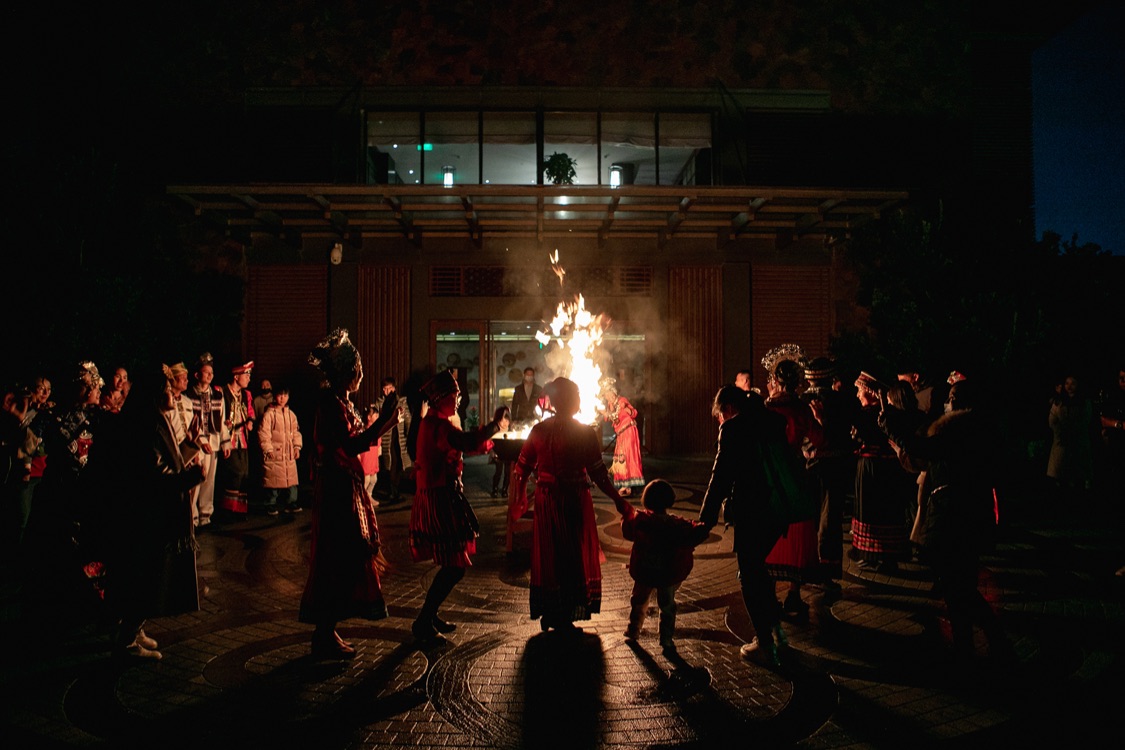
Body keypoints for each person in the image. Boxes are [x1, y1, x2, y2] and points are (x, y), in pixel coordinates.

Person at [881, 378, 1013, 664]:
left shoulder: (960, 430)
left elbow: (925, 449)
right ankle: (974, 644)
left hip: (953, 514)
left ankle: (984, 643)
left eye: (953, 396)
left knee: (958, 586)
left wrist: (893, 429)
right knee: (958, 586)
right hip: (965, 512)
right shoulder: (980, 430)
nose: (947, 401)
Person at [299, 329, 402, 659]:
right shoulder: (330, 404)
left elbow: (360, 439)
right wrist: (384, 421)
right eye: (356, 369)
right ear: (344, 372)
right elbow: (351, 444)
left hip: (347, 485)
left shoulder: (343, 402)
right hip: (336, 490)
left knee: (348, 555)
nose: (361, 375)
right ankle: (324, 631)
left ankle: (327, 630)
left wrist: (385, 422)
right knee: (338, 556)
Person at [101, 368, 205, 660]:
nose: (173, 392)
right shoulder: (145, 424)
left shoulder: (153, 419)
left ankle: (133, 630)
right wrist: (191, 478)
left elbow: (167, 463)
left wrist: (191, 445)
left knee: (142, 576)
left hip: (149, 513)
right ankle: (126, 639)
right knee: (143, 577)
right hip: (146, 516)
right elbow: (155, 478)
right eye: (168, 388)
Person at [511, 377, 624, 632]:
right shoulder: (583, 432)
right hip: (571, 499)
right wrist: (619, 501)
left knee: (551, 554)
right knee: (571, 555)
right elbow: (598, 474)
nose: (580, 400)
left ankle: (552, 612)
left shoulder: (539, 430)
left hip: (546, 500)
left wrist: (519, 497)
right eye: (577, 396)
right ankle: (562, 615)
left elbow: (522, 468)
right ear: (571, 401)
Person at [410, 369, 508, 641]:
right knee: (454, 565)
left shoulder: (435, 422)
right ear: (440, 399)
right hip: (439, 498)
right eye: (454, 396)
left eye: (458, 395)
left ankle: (429, 615)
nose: (458, 401)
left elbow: (464, 445)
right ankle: (423, 620)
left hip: (440, 494)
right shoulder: (438, 426)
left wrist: (489, 438)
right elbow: (465, 441)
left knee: (451, 563)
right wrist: (494, 426)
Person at [698, 385, 791, 666]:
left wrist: (705, 519)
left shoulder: (733, 429)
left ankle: (764, 643)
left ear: (727, 409)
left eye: (720, 416)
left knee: (750, 577)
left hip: (751, 511)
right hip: (778, 507)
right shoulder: (772, 420)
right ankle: (777, 634)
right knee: (764, 575)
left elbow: (720, 477)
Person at [760, 348, 824, 618]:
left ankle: (769, 594)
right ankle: (793, 594)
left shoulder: (764, 408)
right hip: (796, 473)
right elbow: (819, 440)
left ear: (774, 380)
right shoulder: (801, 409)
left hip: (768, 475)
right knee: (797, 526)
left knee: (769, 529)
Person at [620, 479, 708, 653]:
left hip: (644, 570)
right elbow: (693, 533)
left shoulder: (641, 520)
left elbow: (627, 530)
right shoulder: (675, 524)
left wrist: (625, 513)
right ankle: (666, 639)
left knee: (638, 600)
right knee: (667, 605)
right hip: (667, 573)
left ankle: (633, 630)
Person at [851, 371, 916, 571]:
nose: (857, 395)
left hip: (874, 468)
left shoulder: (873, 415)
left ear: (870, 392)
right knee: (882, 510)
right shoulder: (886, 414)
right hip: (883, 467)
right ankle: (877, 555)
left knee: (875, 511)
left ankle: (878, 554)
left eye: (860, 390)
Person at [803, 356, 858, 587]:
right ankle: (826, 570)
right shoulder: (845, 401)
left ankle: (809, 568)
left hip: (810, 468)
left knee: (812, 519)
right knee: (830, 520)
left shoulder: (802, 401)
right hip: (835, 468)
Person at [188, 353, 228, 527]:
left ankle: (205, 514)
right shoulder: (189, 395)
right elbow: (190, 423)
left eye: (211, 372)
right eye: (206, 372)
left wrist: (225, 442)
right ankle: (192, 516)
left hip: (213, 443)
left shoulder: (218, 396)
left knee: (209, 480)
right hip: (197, 445)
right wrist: (200, 441)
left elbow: (223, 420)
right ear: (197, 375)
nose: (210, 375)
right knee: (196, 479)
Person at [1046, 374, 1095, 499]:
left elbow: (1085, 421)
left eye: (1072, 383)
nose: (1069, 386)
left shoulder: (1084, 403)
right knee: (1062, 479)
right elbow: (1052, 421)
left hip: (1078, 443)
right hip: (1062, 444)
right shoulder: (1058, 403)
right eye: (1067, 383)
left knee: (1078, 478)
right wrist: (1060, 432)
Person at [258, 383, 303, 515]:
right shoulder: (269, 414)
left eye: (285, 395)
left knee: (291, 479)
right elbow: (263, 433)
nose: (282, 398)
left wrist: (297, 447)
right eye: (280, 395)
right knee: (273, 480)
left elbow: (296, 432)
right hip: (275, 452)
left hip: (288, 452)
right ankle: (270, 503)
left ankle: (291, 502)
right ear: (275, 396)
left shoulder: (291, 415)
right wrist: (268, 449)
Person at [218, 361, 255, 517]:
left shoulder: (246, 395)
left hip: (243, 440)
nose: (248, 379)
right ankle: (228, 510)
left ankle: (239, 509)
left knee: (245, 473)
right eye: (246, 376)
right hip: (229, 439)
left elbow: (251, 412)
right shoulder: (222, 392)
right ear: (236, 376)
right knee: (235, 472)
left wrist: (250, 421)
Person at [601, 380, 645, 497]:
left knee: (628, 455)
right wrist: (604, 412)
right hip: (621, 433)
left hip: (629, 431)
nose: (608, 397)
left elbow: (634, 412)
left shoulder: (622, 401)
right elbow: (612, 418)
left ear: (613, 393)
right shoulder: (610, 405)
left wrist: (628, 410)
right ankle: (624, 484)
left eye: (609, 394)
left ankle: (629, 485)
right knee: (621, 457)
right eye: (606, 395)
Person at [375, 377, 412, 502]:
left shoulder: (401, 402)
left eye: (389, 388)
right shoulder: (380, 403)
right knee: (389, 463)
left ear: (394, 388)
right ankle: (392, 490)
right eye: (384, 389)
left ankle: (395, 490)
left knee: (398, 463)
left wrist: (408, 434)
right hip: (386, 438)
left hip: (399, 437)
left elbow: (408, 419)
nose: (387, 391)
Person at [358, 405, 382, 508]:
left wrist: (378, 452)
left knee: (373, 479)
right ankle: (360, 499)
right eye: (375, 416)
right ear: (369, 417)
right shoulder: (364, 430)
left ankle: (368, 496)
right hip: (366, 459)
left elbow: (379, 444)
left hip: (373, 459)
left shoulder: (377, 431)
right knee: (366, 480)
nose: (377, 417)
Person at [491, 405, 512, 498]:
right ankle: (495, 489)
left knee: (507, 473)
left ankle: (504, 489)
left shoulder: (511, 431)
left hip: (508, 453)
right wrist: (493, 453)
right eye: (502, 420)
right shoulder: (495, 430)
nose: (504, 423)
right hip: (498, 454)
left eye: (507, 420)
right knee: (498, 472)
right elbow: (491, 443)